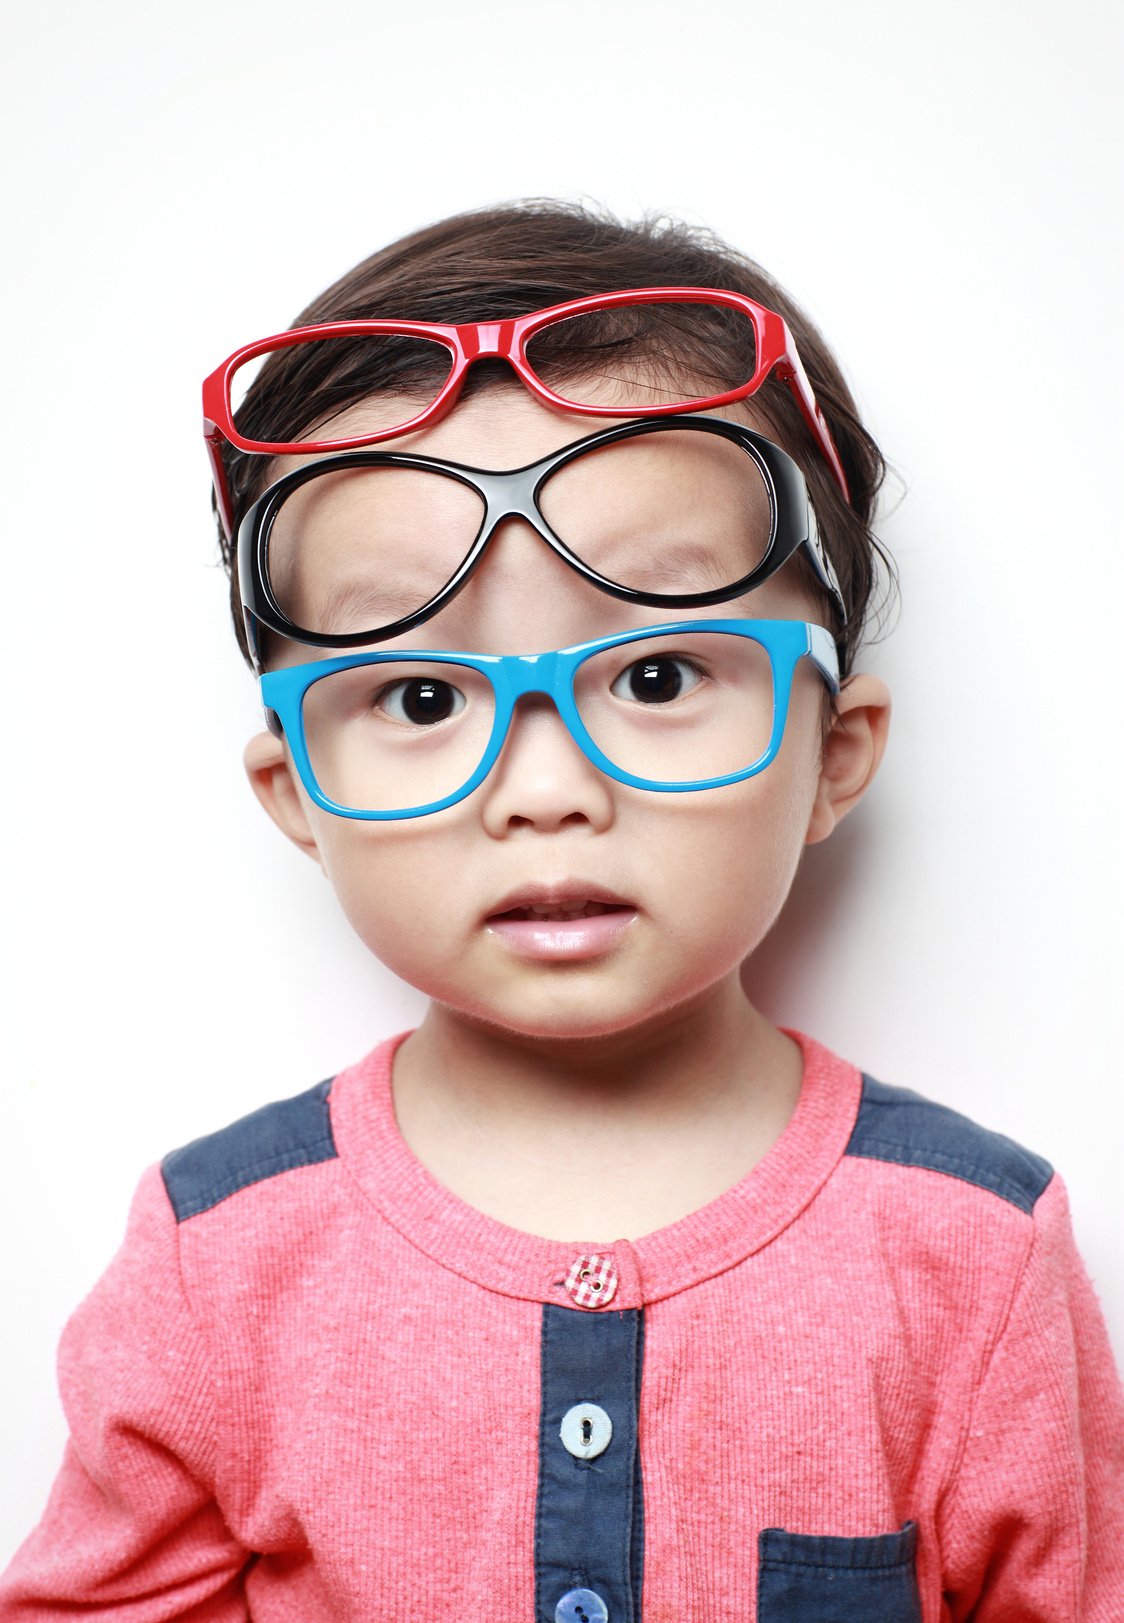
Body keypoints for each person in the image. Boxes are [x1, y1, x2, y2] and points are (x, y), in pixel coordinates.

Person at [2, 201, 1121, 1621]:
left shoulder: (975, 1248)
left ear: (834, 753)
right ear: (296, 790)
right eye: (421, 698)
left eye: (654, 679)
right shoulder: (216, 1256)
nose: (545, 789)